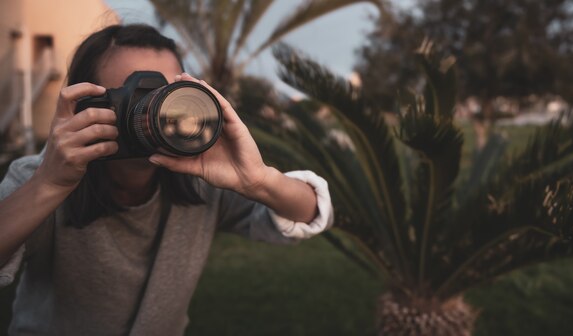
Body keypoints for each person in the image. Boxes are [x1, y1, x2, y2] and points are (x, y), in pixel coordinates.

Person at [0, 24, 333, 335]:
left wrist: (259, 181)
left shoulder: (201, 180)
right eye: (133, 97)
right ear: (86, 105)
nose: (159, 110)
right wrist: (49, 186)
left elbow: (311, 212)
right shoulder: (42, 178)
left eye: (169, 94)